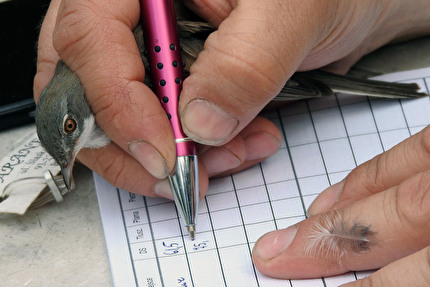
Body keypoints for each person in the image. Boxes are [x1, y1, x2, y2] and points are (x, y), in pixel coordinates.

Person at [34, 0, 430, 285]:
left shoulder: (117, 82)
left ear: (76, 109)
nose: (76, 152)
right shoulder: (103, 94)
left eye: (71, 131)